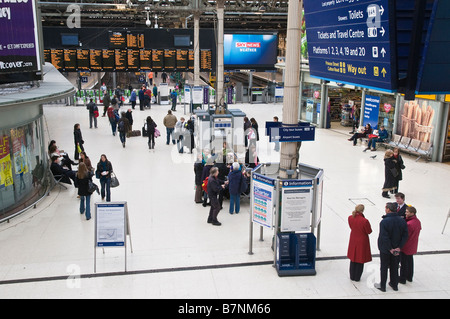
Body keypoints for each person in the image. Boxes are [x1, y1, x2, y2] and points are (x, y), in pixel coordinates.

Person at [374, 202, 408, 292]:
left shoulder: (384, 222)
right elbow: (405, 235)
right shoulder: (402, 220)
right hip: (397, 248)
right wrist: (399, 247)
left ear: (388, 209)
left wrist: (390, 248)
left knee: (384, 267)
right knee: (395, 266)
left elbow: (384, 237)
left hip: (386, 249)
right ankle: (394, 284)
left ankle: (383, 286)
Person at [347, 204, 372, 282]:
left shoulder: (350, 218)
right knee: (360, 259)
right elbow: (369, 231)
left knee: (353, 258)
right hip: (362, 240)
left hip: (353, 238)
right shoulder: (364, 221)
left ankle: (352, 275)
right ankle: (357, 277)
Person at [399, 206, 422, 284]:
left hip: (406, 246)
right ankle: (409, 277)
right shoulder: (417, 221)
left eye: (407, 212)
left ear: (412, 213)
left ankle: (402, 278)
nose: (405, 213)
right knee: (410, 261)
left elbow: (405, 235)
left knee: (404, 263)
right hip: (413, 244)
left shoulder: (409, 224)